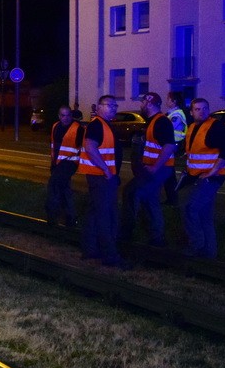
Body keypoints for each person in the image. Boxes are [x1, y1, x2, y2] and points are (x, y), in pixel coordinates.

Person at [120, 92, 176, 246]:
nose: (141, 105)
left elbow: (169, 146)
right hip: (155, 169)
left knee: (131, 192)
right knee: (150, 201)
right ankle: (156, 239)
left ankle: (127, 233)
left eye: (143, 102)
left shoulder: (160, 122)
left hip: (158, 169)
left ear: (150, 103)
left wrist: (154, 167)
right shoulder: (152, 122)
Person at [77, 95, 127, 267]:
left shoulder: (104, 124)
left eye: (115, 105)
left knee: (94, 213)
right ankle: (110, 256)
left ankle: (90, 250)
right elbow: (90, 147)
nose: (114, 108)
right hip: (102, 178)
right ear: (99, 107)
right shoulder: (97, 125)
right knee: (105, 216)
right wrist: (106, 170)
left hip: (101, 177)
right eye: (109, 105)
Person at [182, 98, 225, 259]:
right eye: (197, 109)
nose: (201, 111)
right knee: (204, 216)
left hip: (211, 178)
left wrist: (212, 172)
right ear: (191, 112)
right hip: (198, 177)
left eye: (204, 108)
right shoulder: (192, 127)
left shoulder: (215, 126)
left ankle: (197, 246)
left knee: (190, 209)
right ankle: (209, 255)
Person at [45, 105, 84, 227]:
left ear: (71, 116)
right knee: (64, 189)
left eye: (68, 115)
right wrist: (53, 163)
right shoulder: (55, 126)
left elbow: (83, 147)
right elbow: (54, 146)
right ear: (59, 116)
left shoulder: (78, 129)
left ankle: (52, 217)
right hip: (57, 164)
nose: (66, 118)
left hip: (69, 163)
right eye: (63, 115)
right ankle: (70, 218)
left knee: (54, 186)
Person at [163, 91, 187, 205]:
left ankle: (172, 199)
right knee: (168, 172)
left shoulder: (176, 115)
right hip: (171, 145)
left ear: (174, 101)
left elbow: (168, 128)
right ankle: (171, 198)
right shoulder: (172, 113)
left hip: (172, 146)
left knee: (169, 173)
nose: (166, 101)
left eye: (168, 99)